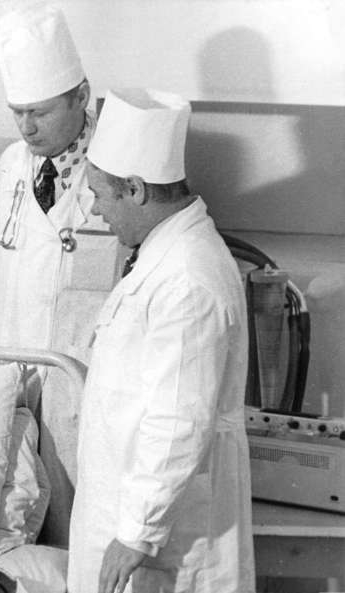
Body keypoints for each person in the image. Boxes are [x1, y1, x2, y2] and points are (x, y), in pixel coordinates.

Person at [67, 88, 254, 593]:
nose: (95, 211)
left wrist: (137, 532)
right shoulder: (164, 257)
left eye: (99, 194)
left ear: (134, 188)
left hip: (158, 534)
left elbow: (178, 418)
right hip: (126, 509)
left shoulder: (187, 278)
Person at [0, 1, 119, 545]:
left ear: (80, 96)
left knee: (78, 536)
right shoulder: (9, 167)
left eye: (39, 111)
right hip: (10, 382)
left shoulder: (116, 171)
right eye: (17, 111)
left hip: (82, 391)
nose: (26, 127)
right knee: (9, 535)